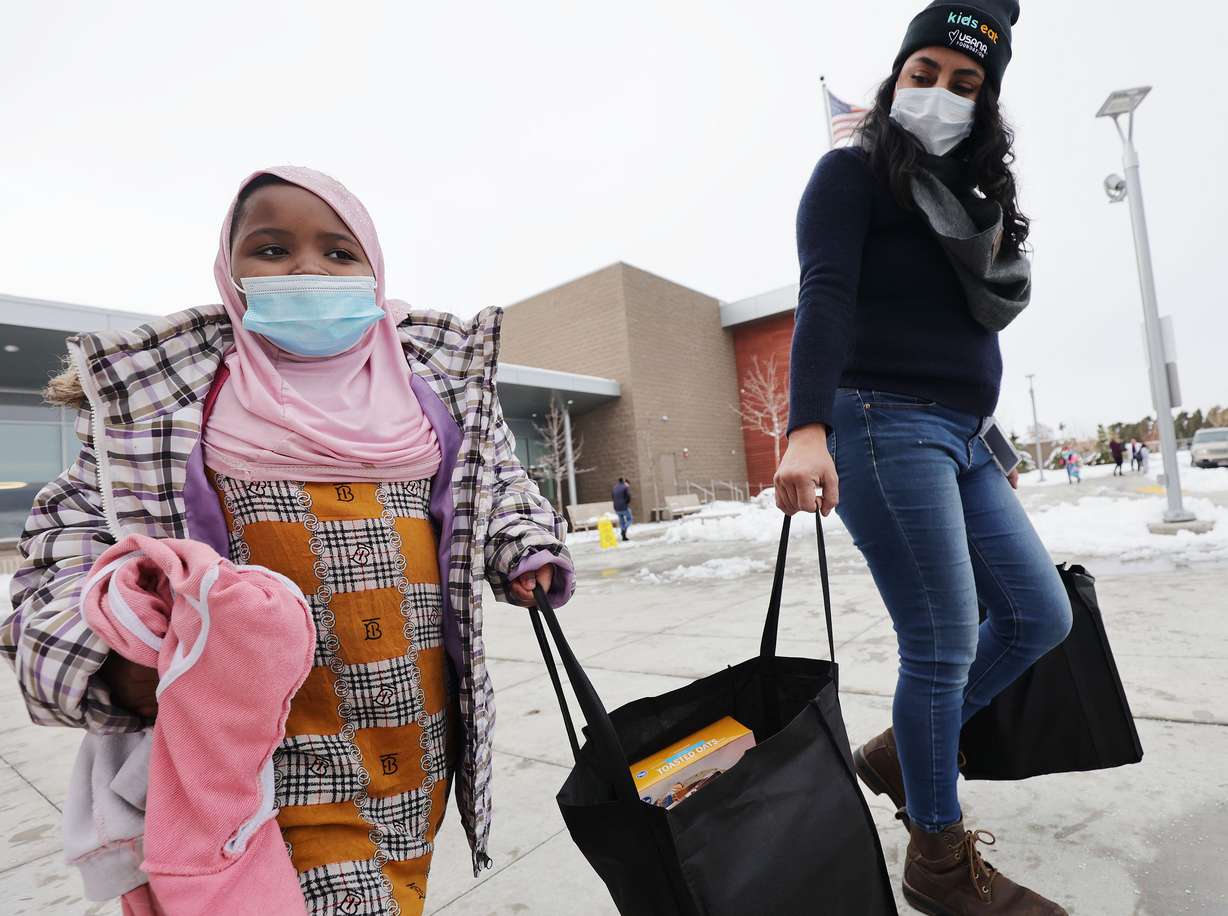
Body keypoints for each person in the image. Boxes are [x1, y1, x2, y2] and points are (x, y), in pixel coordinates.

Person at [0, 167, 575, 915]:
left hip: (414, 738)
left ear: (375, 271)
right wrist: (106, 666)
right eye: (271, 249)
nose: (306, 267)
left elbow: (497, 487)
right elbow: (58, 558)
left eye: (338, 253)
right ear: (230, 270)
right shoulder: (161, 409)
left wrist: (524, 547)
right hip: (258, 755)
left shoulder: (435, 391)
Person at [773, 3, 1072, 913]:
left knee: (1038, 615)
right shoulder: (851, 175)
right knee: (939, 644)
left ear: (987, 102)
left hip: (965, 436)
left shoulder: (976, 203)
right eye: (925, 73)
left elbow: (962, 336)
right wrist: (805, 426)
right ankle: (940, 866)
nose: (940, 92)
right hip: (878, 421)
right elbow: (824, 295)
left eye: (966, 82)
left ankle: (905, 750)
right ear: (897, 76)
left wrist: (995, 439)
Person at [612, 476, 634, 540]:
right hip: (623, 507)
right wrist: (626, 503)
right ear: (625, 482)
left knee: (622, 522)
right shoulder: (625, 487)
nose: (628, 485)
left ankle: (624, 537)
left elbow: (613, 497)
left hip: (616, 507)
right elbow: (628, 497)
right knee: (630, 519)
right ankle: (623, 530)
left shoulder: (614, 487)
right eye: (628, 484)